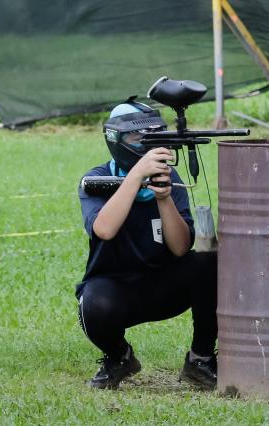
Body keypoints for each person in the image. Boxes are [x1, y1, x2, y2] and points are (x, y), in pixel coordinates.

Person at [75, 98, 218, 390]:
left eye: (154, 135)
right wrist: (137, 176)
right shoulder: (96, 179)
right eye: (137, 136)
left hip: (162, 286)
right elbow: (103, 229)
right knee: (92, 305)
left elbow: (180, 248)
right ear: (116, 138)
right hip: (113, 289)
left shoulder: (169, 177)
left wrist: (164, 198)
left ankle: (200, 359)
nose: (145, 142)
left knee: (208, 262)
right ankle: (119, 358)